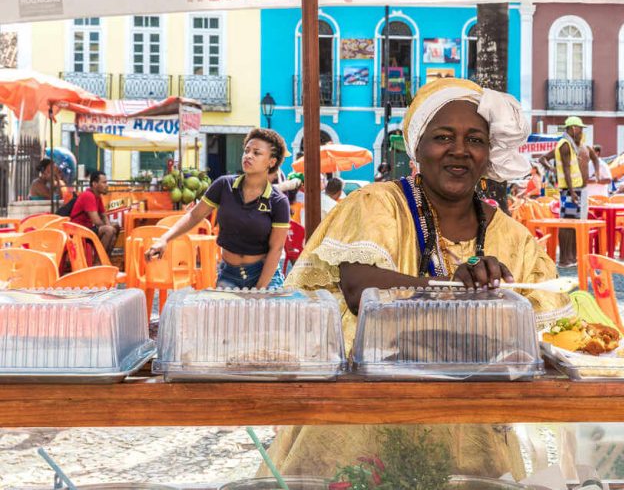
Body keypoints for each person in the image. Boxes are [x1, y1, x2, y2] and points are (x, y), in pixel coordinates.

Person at [262, 78, 573, 479]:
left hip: (470, 433)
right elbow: (361, 287)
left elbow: (541, 327)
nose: (459, 150)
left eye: (475, 139)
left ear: (488, 153)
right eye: (443, 137)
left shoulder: (514, 239)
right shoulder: (379, 205)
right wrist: (457, 293)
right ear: (417, 146)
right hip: (359, 426)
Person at [145, 128, 290, 289]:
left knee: (264, 314)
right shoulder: (223, 185)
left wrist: (259, 289)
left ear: (271, 162)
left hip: (265, 276)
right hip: (229, 275)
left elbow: (276, 249)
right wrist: (164, 239)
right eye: (246, 151)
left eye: (256, 153)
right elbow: (194, 216)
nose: (248, 155)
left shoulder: (278, 201)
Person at [539, 116, 600, 266]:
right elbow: (564, 168)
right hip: (570, 191)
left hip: (580, 189)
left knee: (576, 224)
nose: (582, 132)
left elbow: (595, 159)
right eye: (580, 129)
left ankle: (573, 257)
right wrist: (571, 191)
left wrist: (597, 173)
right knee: (567, 224)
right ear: (573, 128)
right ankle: (565, 259)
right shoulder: (565, 145)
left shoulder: (582, 147)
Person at [70, 171, 120, 255]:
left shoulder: (97, 196)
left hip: (87, 228)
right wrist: (109, 228)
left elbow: (104, 216)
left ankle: (105, 259)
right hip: (77, 230)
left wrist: (110, 226)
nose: (106, 185)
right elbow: (96, 221)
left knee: (115, 226)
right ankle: (98, 262)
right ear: (94, 184)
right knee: (108, 230)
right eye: (104, 182)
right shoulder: (88, 195)